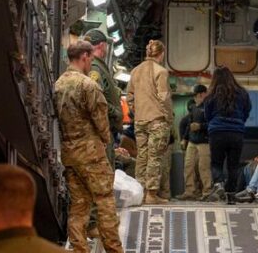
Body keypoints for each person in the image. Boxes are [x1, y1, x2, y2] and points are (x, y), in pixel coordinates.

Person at [54, 41, 144, 253]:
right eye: (91, 59)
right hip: (91, 154)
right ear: (84, 56)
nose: (91, 63)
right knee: (105, 202)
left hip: (70, 153)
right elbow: (101, 122)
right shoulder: (88, 86)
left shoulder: (59, 84)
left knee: (79, 207)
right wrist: (106, 141)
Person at [127, 39, 173, 205]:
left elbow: (129, 97)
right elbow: (164, 97)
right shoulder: (161, 72)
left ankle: (140, 193)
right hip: (157, 120)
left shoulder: (135, 71)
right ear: (161, 54)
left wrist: (136, 112)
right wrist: (168, 117)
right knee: (155, 157)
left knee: (142, 156)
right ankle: (152, 194)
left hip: (140, 121)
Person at [203, 67, 252, 202]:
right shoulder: (242, 93)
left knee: (216, 163)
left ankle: (219, 184)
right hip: (236, 133)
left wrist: (213, 123)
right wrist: (239, 122)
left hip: (217, 132)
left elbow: (207, 114)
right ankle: (231, 196)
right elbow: (247, 110)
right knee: (233, 165)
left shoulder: (211, 94)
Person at [81, 29, 123, 161]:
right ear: (102, 45)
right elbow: (95, 98)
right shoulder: (95, 67)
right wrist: (115, 112)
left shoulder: (95, 66)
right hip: (101, 131)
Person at [179, 84, 212, 200]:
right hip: (192, 142)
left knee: (203, 167)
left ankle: (207, 192)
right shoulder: (193, 107)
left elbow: (212, 125)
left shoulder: (209, 107)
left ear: (202, 94)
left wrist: (200, 126)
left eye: (197, 95)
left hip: (204, 142)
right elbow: (189, 124)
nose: (196, 97)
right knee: (188, 166)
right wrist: (185, 138)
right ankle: (190, 191)